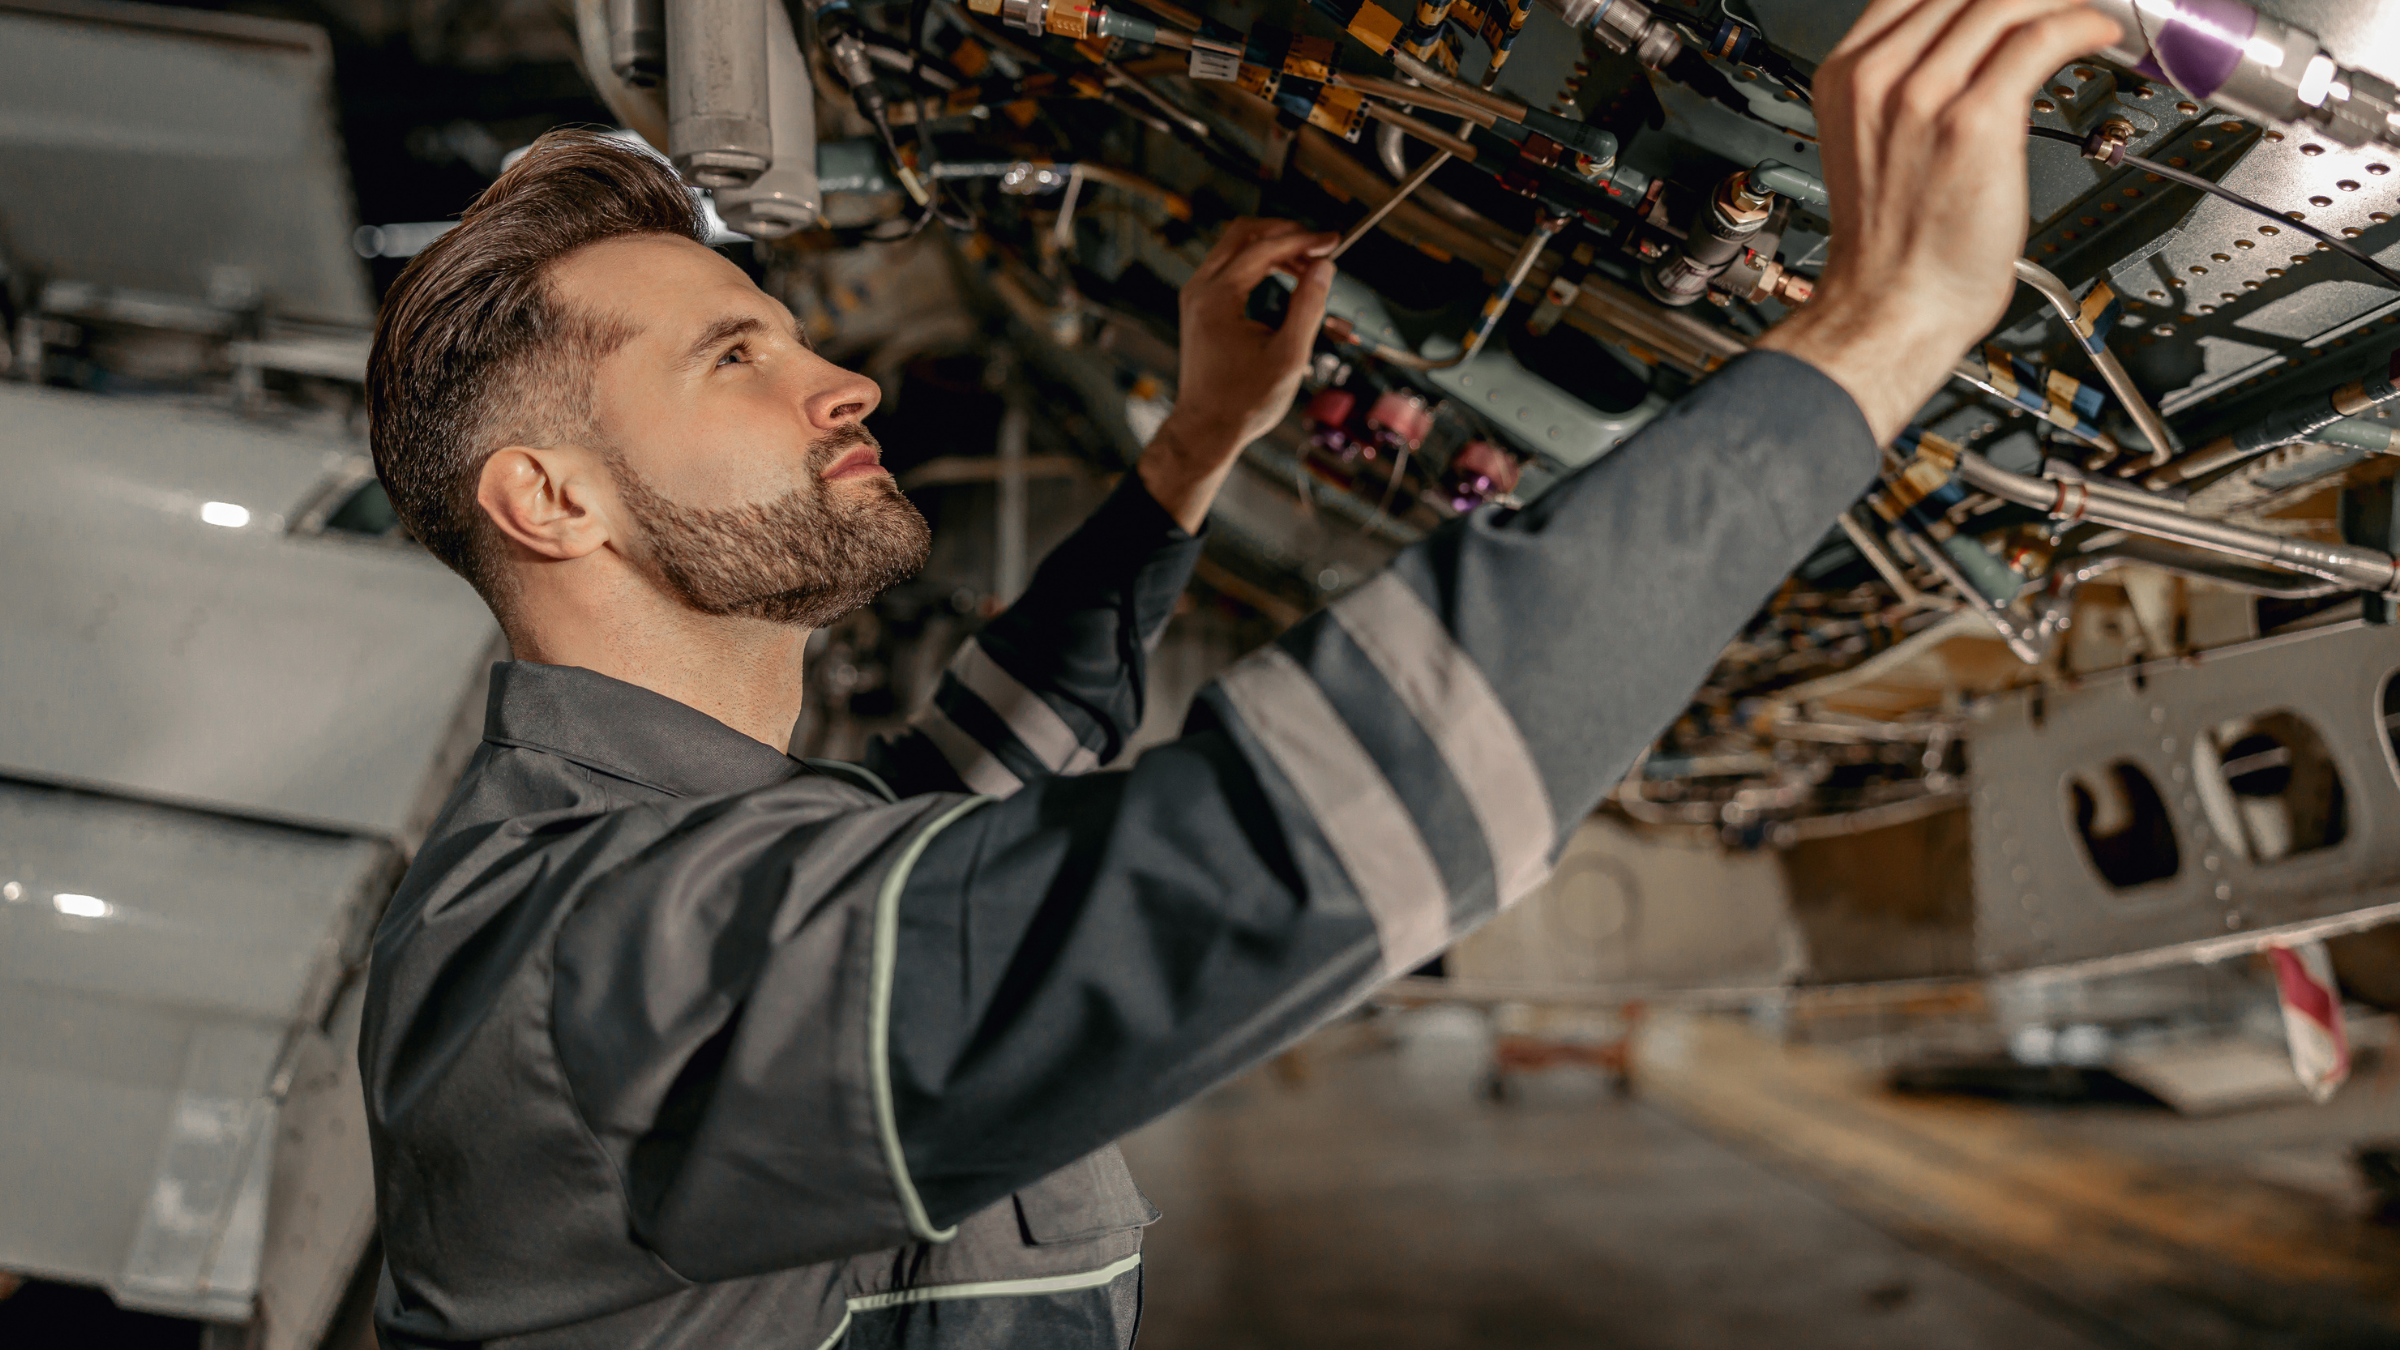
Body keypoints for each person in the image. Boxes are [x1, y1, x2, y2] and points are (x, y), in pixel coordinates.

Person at [359, 0, 2123, 1344]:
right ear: (550, 496)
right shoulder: (572, 971)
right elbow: (1270, 855)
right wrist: (1876, 326)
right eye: (740, 351)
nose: (847, 381)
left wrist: (1194, 451)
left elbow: (983, 767)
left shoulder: (681, 862)